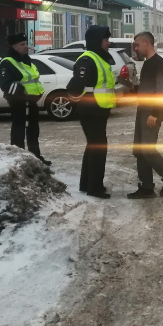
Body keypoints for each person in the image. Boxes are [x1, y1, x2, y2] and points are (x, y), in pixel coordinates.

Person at [66, 25, 116, 198]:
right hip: (92, 111)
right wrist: (82, 102)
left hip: (99, 110)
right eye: (105, 40)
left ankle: (86, 183)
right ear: (97, 41)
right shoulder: (87, 59)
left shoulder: (99, 58)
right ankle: (94, 188)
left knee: (93, 146)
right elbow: (74, 87)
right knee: (98, 148)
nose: (108, 43)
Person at [127, 31, 163, 199]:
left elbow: (162, 92)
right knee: (139, 150)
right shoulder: (148, 63)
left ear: (147, 43)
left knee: (148, 150)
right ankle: (147, 188)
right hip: (142, 109)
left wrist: (155, 113)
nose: (136, 48)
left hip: (152, 112)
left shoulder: (159, 64)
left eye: (138, 44)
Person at [0, 32, 51, 166]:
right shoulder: (7, 62)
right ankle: (18, 158)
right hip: (18, 101)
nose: (25, 47)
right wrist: (21, 92)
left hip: (32, 101)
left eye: (26, 43)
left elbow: (33, 79)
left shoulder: (27, 60)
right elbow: (5, 84)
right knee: (19, 129)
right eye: (22, 44)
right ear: (14, 47)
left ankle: (35, 156)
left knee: (33, 130)